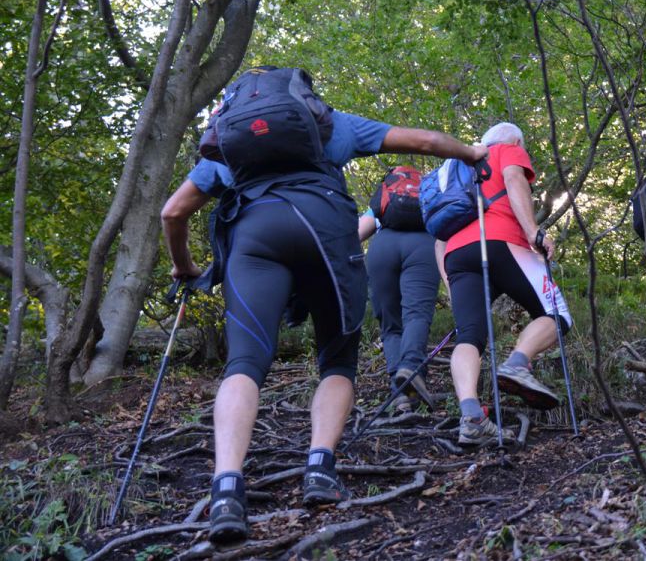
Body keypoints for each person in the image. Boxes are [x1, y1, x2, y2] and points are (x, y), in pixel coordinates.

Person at [161, 88, 486, 544]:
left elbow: (173, 212)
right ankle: (318, 469)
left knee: (245, 364)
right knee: (336, 361)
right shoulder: (331, 125)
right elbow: (428, 143)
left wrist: (184, 266)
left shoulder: (228, 144)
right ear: (303, 102)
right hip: (325, 232)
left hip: (255, 239)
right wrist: (473, 153)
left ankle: (226, 489)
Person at [436, 122, 573, 446]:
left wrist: (449, 280)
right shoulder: (507, 149)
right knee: (557, 315)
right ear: (514, 140)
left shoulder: (453, 169)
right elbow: (513, 180)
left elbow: (438, 234)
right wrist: (532, 233)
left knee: (470, 335)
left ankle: (471, 416)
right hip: (500, 241)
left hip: (456, 255)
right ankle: (517, 364)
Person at [358, 169, 440, 413]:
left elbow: (360, 231)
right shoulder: (429, 192)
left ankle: (399, 393)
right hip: (423, 246)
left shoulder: (386, 196)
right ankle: (411, 367)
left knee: (390, 324)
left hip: (383, 247)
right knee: (416, 314)